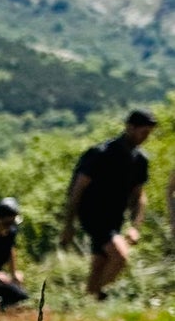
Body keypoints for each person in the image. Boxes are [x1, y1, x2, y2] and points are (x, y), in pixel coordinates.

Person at [62, 111, 156, 298]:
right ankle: (97, 296)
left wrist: (135, 226)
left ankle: (85, 304)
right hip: (92, 214)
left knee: (100, 264)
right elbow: (76, 190)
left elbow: (139, 196)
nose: (146, 138)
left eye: (148, 133)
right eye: (143, 132)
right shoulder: (100, 153)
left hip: (115, 217)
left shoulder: (140, 160)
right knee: (120, 257)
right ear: (130, 128)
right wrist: (69, 225)